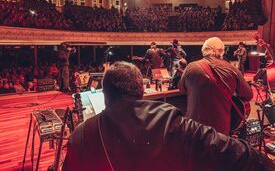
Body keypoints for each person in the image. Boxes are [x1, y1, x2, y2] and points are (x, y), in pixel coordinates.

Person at [62, 61, 274, 171]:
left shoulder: (81, 135)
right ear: (141, 92)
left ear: (106, 96)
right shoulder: (171, 124)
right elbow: (233, 152)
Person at [178, 37, 253, 135]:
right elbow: (248, 95)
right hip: (220, 131)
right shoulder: (233, 70)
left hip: (194, 128)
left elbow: (182, 90)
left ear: (204, 50)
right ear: (222, 51)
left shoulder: (191, 67)